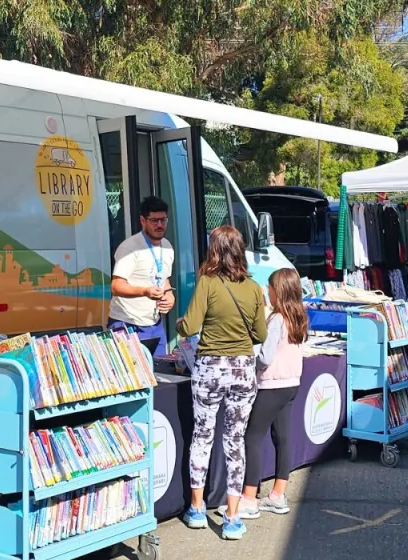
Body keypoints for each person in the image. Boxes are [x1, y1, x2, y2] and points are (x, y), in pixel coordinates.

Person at [176, 225, 267, 541]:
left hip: (209, 369)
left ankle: (198, 509)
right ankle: (231, 516)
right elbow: (261, 335)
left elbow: (189, 325)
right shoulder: (254, 288)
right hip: (242, 369)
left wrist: (177, 322)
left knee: (202, 436)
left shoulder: (207, 283)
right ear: (240, 250)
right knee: (234, 440)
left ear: (214, 250)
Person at [229, 267, 307, 519]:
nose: (267, 292)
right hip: (291, 383)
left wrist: (251, 358)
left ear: (278, 292)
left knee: (252, 436)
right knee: (282, 437)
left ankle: (249, 497)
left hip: (271, 385)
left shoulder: (276, 319)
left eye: (270, 288)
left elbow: (266, 356)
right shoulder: (299, 316)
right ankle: (278, 494)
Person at [109, 196, 176, 355]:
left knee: (160, 374)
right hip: (127, 323)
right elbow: (116, 286)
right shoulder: (130, 247)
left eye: (163, 220)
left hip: (155, 324)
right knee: (133, 377)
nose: (159, 225)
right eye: (154, 221)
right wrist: (145, 291)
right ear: (142, 221)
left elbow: (163, 278)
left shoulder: (167, 247)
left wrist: (169, 295)